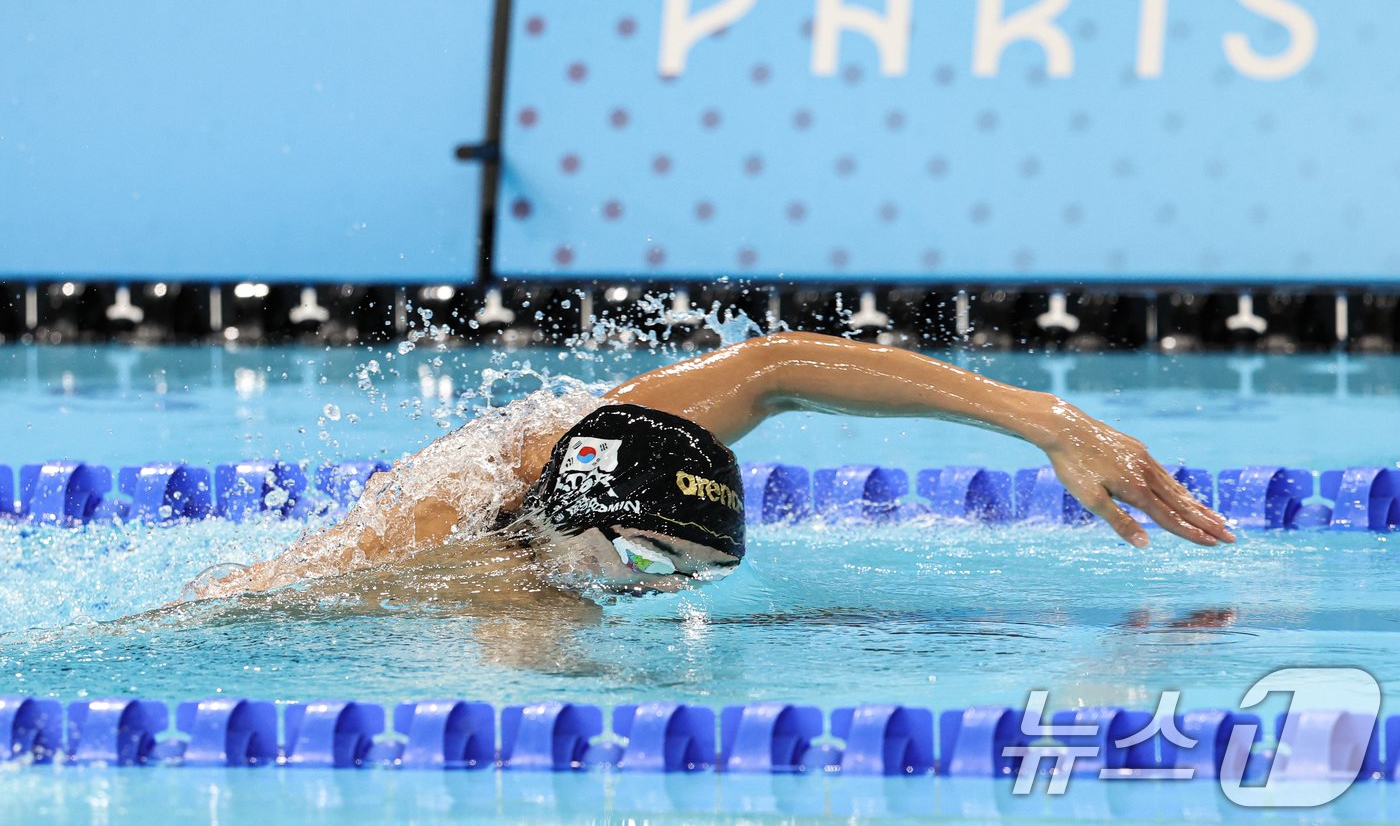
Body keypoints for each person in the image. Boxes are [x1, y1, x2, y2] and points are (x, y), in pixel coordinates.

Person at [193, 331, 1234, 599]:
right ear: (574, 523)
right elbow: (237, 606)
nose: (667, 589)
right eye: (651, 566)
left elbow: (775, 368)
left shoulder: (607, 438)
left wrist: (1043, 418)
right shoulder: (425, 552)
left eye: (684, 569)